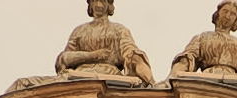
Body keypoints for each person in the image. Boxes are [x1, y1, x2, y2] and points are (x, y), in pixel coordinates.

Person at [8, 0, 154, 92]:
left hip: (108, 76)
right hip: (74, 78)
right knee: (22, 84)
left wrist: (148, 78)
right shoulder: (80, 30)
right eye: (94, 1)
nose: (97, 5)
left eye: (102, 1)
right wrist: (92, 55)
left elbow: (131, 54)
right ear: (89, 5)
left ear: (109, 5)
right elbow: (63, 60)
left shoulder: (119, 30)